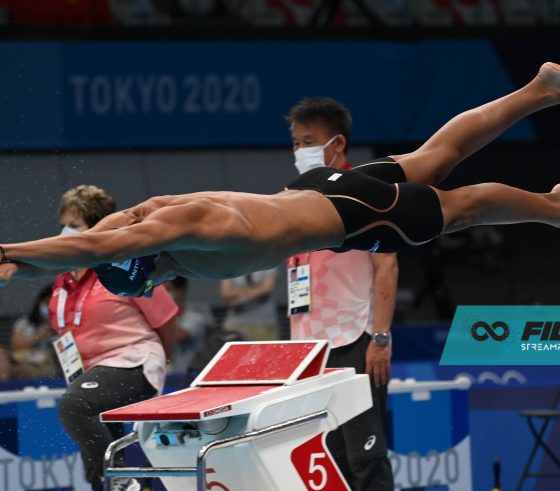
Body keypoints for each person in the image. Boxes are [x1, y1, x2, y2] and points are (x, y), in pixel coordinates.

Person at [1, 62, 560, 296]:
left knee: (463, 206)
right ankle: (540, 89)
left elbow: (96, 245)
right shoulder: (158, 212)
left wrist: (8, 250)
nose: (156, 286)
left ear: (145, 262)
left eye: (147, 282)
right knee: (434, 156)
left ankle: (552, 207)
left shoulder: (183, 233)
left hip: (352, 217)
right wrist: (18, 264)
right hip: (321, 191)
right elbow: (102, 237)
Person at [15, 185, 178, 491]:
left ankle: (118, 480)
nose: (65, 232)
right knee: (100, 433)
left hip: (135, 361)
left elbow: (167, 318)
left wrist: (163, 361)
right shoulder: (64, 279)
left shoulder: (124, 268)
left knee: (74, 405)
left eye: (74, 225)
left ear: (98, 228)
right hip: (93, 371)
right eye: (64, 224)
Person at [285, 96, 397, 491]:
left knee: (364, 453)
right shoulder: (294, 197)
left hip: (354, 338)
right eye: (296, 143)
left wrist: (380, 337)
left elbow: (387, 265)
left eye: (308, 141)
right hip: (308, 349)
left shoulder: (363, 192)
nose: (300, 151)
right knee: (325, 452)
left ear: (337, 143)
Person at [9, 283, 59, 379]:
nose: (49, 306)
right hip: (26, 362)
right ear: (40, 302)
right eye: (47, 302)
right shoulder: (24, 323)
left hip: (50, 365)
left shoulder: (62, 325)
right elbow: (16, 345)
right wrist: (40, 335)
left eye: (53, 303)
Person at [220, 268, 279, 341]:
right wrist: (255, 291)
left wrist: (239, 297)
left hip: (264, 324)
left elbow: (267, 287)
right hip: (235, 323)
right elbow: (226, 293)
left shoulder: (267, 263)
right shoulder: (231, 265)